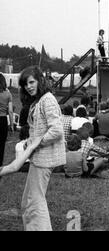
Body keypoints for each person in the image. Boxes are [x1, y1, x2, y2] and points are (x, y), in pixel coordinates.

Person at [18, 66, 66, 230]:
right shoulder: (38, 101)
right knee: (28, 201)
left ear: (40, 80)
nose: (28, 86)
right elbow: (41, 129)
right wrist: (30, 141)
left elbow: (56, 131)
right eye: (25, 84)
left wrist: (35, 143)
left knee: (35, 203)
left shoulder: (47, 99)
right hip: (38, 157)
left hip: (44, 159)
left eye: (31, 82)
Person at [0, 73, 14, 166]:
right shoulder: (8, 94)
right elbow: (10, 111)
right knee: (1, 145)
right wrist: (12, 125)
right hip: (2, 120)